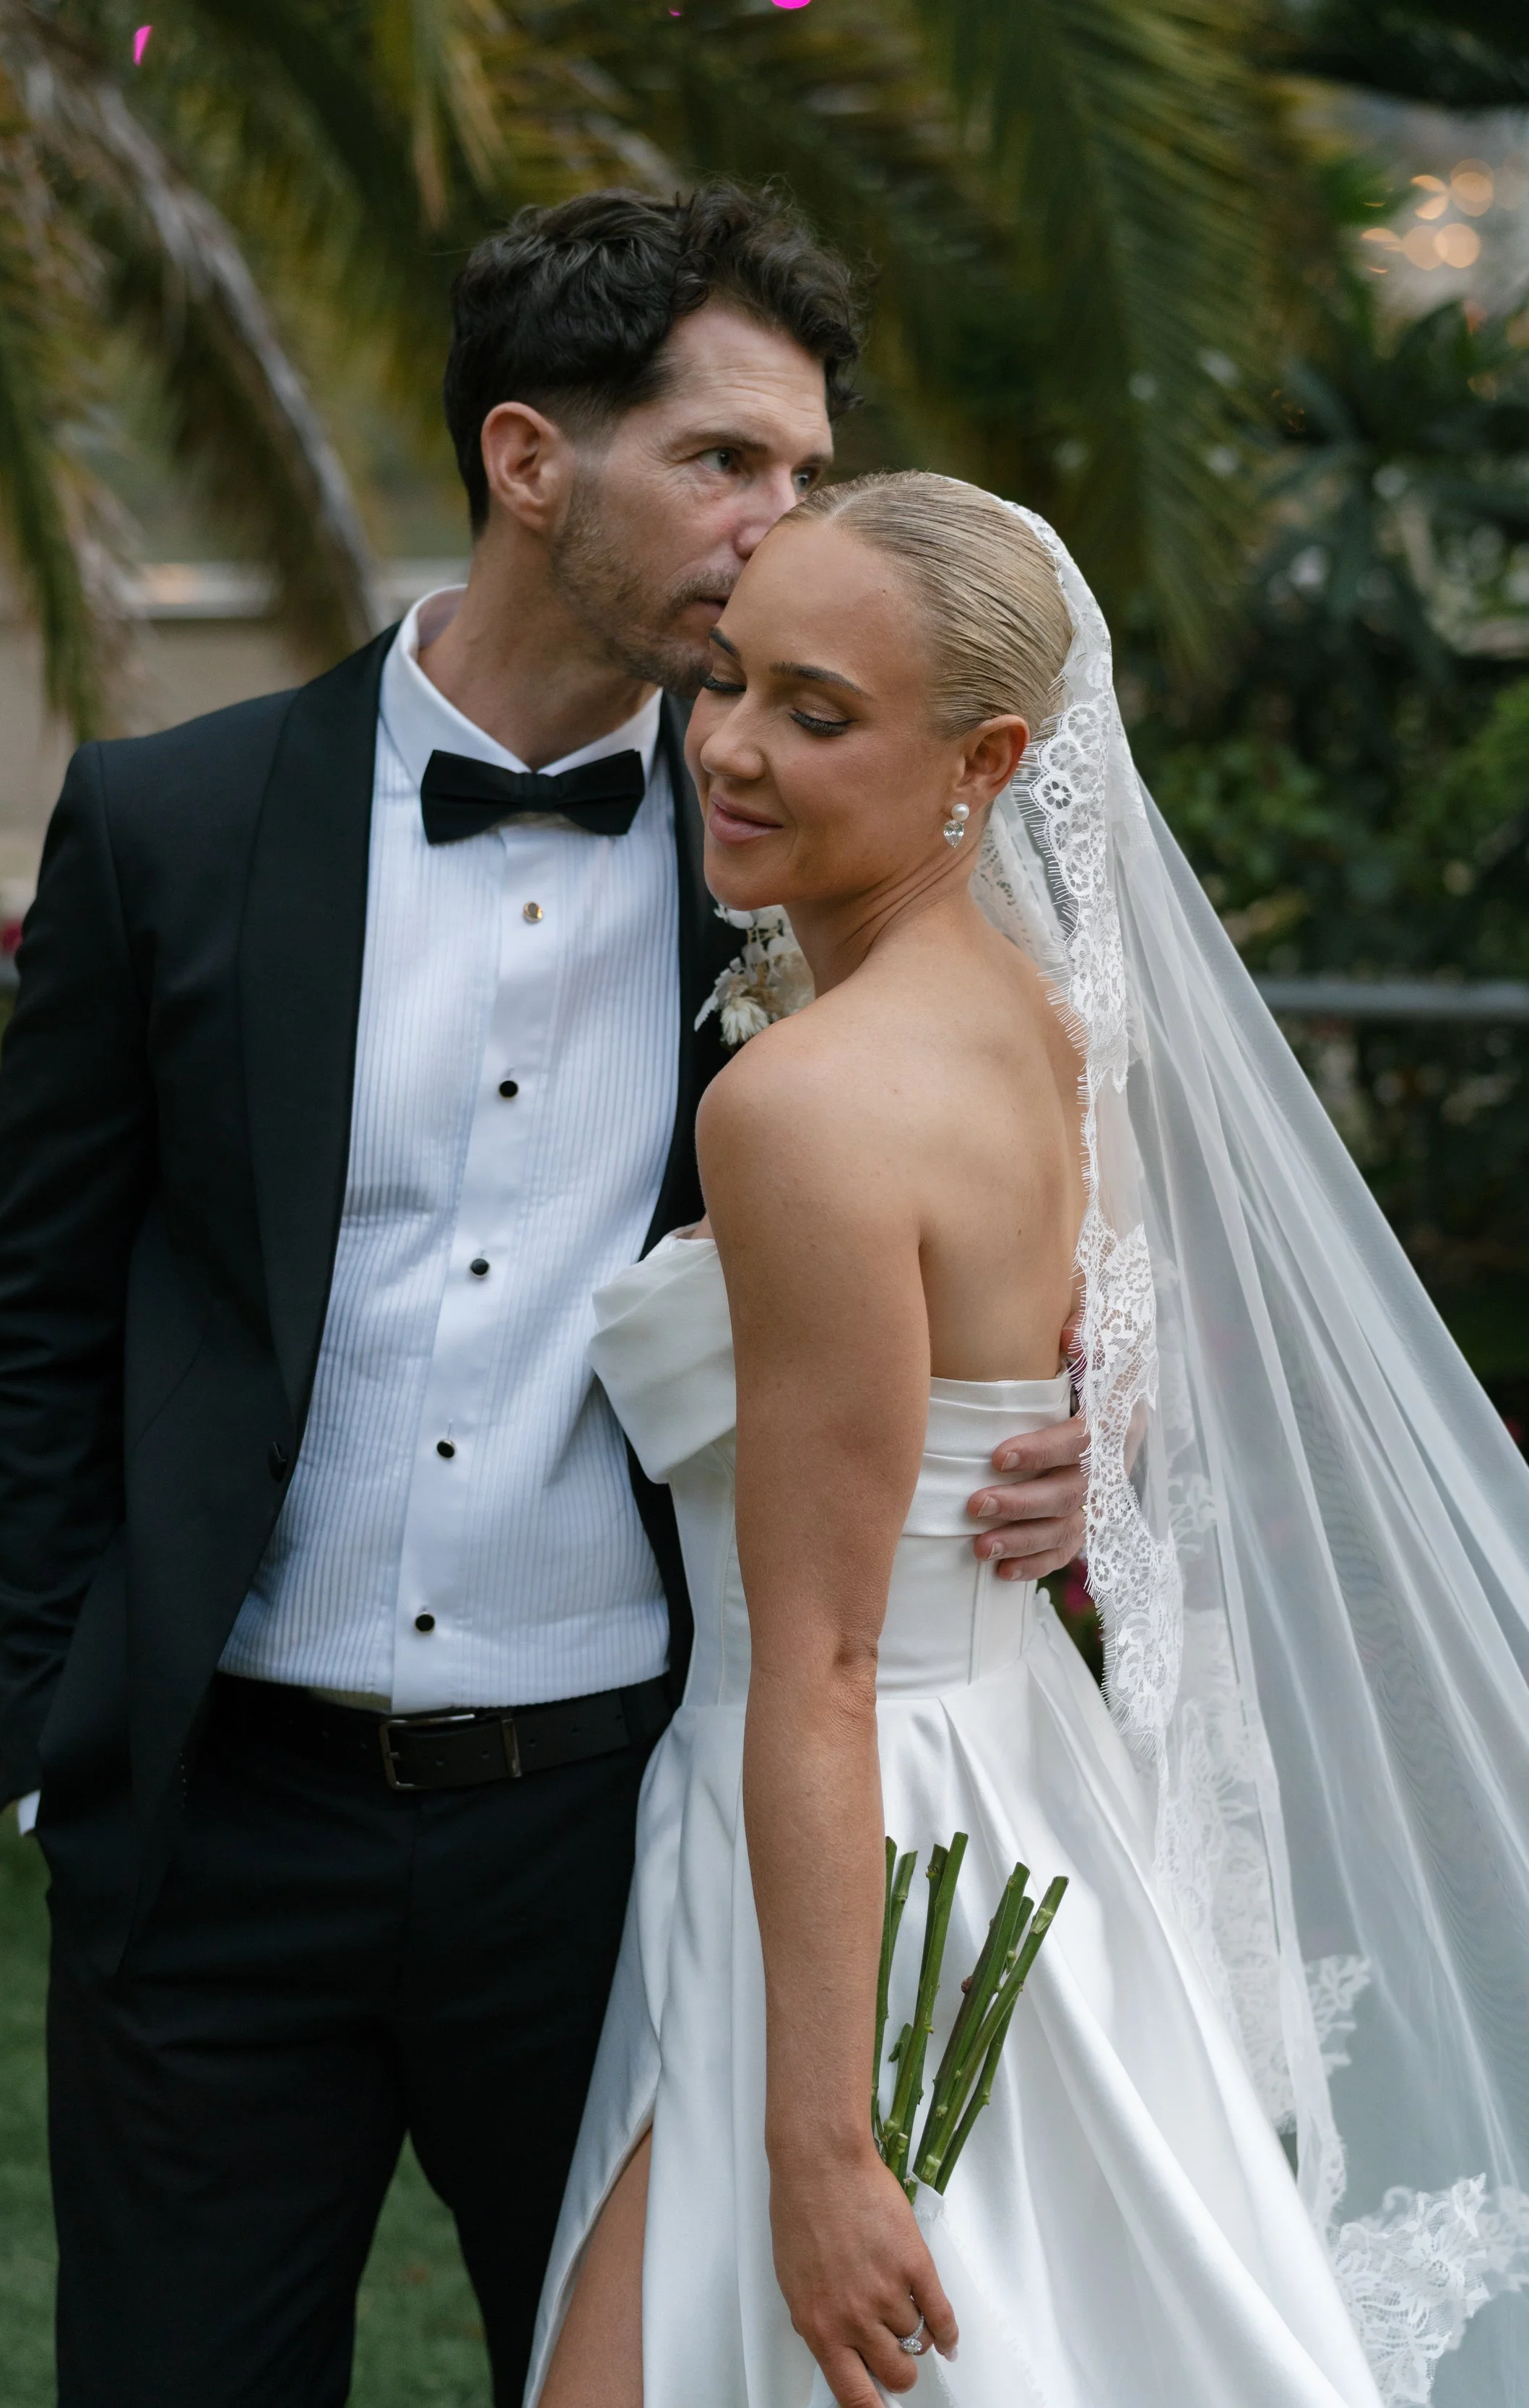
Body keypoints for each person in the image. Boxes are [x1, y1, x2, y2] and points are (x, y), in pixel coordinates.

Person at [0, 191, 1090, 2408]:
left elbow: (1037, 1167)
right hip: (220, 1819)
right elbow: (35, 1310)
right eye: (725, 458)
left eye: (807, 468)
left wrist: (1078, 1432)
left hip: (614, 1825)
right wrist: (53, 1736)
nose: (781, 521)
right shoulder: (170, 822)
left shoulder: (805, 848)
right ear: (528, 458)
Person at [527, 473, 1529, 2408]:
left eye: (816, 712)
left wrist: (823, 2143)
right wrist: (1079, 1441)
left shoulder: (806, 1104)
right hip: (1015, 1785)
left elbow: (823, 1661)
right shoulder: (1050, 1023)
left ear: (986, 762)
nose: (728, 746)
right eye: (728, 679)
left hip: (861, 1834)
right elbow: (1107, 1348)